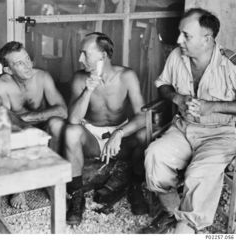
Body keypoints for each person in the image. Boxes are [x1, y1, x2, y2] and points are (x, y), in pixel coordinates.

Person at [142, 8, 236, 234]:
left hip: (221, 134)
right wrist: (177, 97)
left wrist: (212, 106)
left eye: (186, 35)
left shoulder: (231, 63)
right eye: (179, 34)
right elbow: (163, 84)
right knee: (155, 156)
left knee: (199, 173)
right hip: (184, 128)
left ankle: (187, 227)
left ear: (207, 39)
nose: (178, 40)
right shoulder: (177, 56)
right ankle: (173, 214)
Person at [64, 32, 148, 226]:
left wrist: (120, 133)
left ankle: (135, 186)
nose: (80, 59)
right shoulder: (79, 78)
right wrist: (88, 90)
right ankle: (77, 196)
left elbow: (143, 115)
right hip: (92, 135)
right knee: (70, 132)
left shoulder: (126, 76)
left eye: (85, 53)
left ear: (103, 55)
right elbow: (74, 119)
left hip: (120, 134)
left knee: (145, 134)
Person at [0, 41, 67, 209]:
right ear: (8, 69)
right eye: (20, 63)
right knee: (7, 131)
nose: (28, 65)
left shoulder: (42, 77)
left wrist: (27, 116)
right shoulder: (2, 84)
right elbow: (4, 119)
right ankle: (19, 185)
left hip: (44, 128)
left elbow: (63, 111)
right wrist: (23, 122)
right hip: (19, 130)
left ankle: (52, 179)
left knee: (57, 124)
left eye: (27, 58)